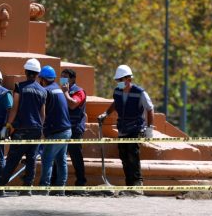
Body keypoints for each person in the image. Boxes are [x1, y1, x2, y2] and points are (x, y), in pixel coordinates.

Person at [98, 65, 155, 195]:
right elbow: (115, 103)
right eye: (118, 80)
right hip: (122, 128)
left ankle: (137, 184)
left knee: (132, 155)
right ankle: (129, 185)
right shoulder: (118, 91)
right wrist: (105, 114)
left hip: (135, 128)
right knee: (123, 155)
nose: (119, 83)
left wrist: (149, 128)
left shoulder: (140, 92)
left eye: (121, 80)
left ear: (129, 79)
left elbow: (150, 109)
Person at [0, 58, 46, 196]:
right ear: (38, 73)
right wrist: (41, 131)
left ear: (26, 71)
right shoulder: (42, 91)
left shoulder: (19, 87)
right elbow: (42, 114)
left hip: (21, 129)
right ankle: (27, 187)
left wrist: (8, 125)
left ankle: (0, 186)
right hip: (36, 129)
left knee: (12, 159)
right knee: (31, 159)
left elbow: (14, 109)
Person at [37, 65, 72, 196]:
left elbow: (43, 113)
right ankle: (60, 188)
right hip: (67, 130)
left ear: (42, 78)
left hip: (56, 131)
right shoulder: (58, 88)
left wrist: (42, 130)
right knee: (61, 159)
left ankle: (44, 188)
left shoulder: (45, 91)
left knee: (47, 158)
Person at [59, 68, 87, 190]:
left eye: (66, 77)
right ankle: (57, 182)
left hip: (75, 129)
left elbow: (72, 104)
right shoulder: (60, 91)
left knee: (76, 157)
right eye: (62, 77)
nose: (63, 80)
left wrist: (65, 92)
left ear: (73, 79)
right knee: (59, 157)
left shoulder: (79, 91)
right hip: (62, 129)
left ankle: (81, 182)